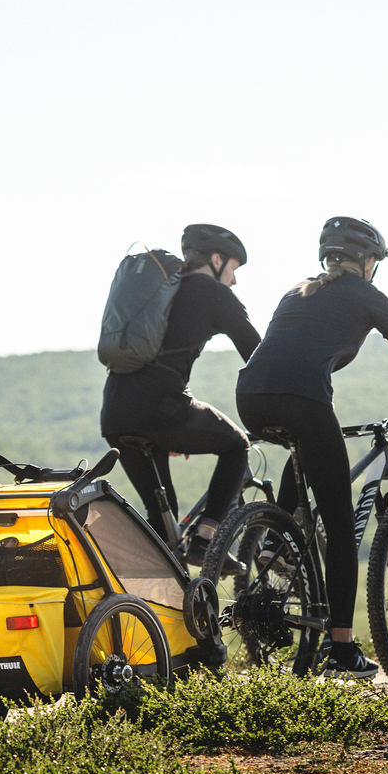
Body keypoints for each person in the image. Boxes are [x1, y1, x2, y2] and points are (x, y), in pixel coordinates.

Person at [235, 216, 388, 678]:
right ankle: (342, 651)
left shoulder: (297, 289)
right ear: (368, 262)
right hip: (303, 401)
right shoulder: (370, 295)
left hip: (250, 396)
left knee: (302, 451)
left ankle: (275, 542)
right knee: (342, 528)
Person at [100, 224, 261, 572]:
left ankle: (154, 613)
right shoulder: (211, 292)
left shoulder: (164, 287)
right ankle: (207, 539)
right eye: (233, 269)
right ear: (217, 260)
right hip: (161, 409)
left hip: (115, 412)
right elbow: (258, 355)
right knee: (236, 446)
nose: (234, 280)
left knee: (164, 532)